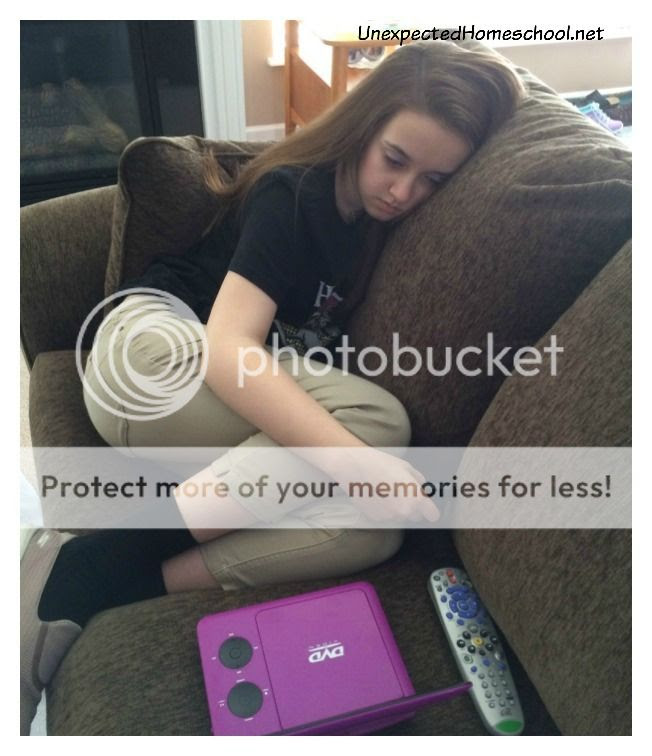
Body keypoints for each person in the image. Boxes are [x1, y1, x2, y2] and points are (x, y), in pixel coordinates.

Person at [20, 41, 525, 734]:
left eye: (432, 180)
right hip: (148, 357)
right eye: (395, 160)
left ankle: (113, 577)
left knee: (376, 529)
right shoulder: (298, 193)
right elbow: (229, 350)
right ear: (365, 127)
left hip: (198, 408)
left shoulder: (367, 227)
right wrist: (362, 463)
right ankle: (115, 551)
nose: (403, 192)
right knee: (378, 426)